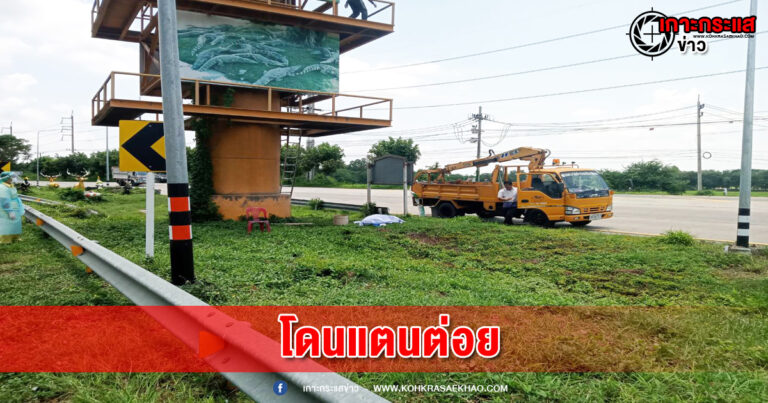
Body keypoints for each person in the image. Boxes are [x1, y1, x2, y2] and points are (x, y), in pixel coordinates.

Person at [0, 172, 24, 244]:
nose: (13, 178)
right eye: (11, 177)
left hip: (15, 207)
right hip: (6, 209)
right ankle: (5, 240)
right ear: (6, 178)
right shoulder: (2, 187)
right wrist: (10, 211)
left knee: (16, 223)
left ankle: (16, 237)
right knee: (7, 223)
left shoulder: (10, 185)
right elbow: (4, 201)